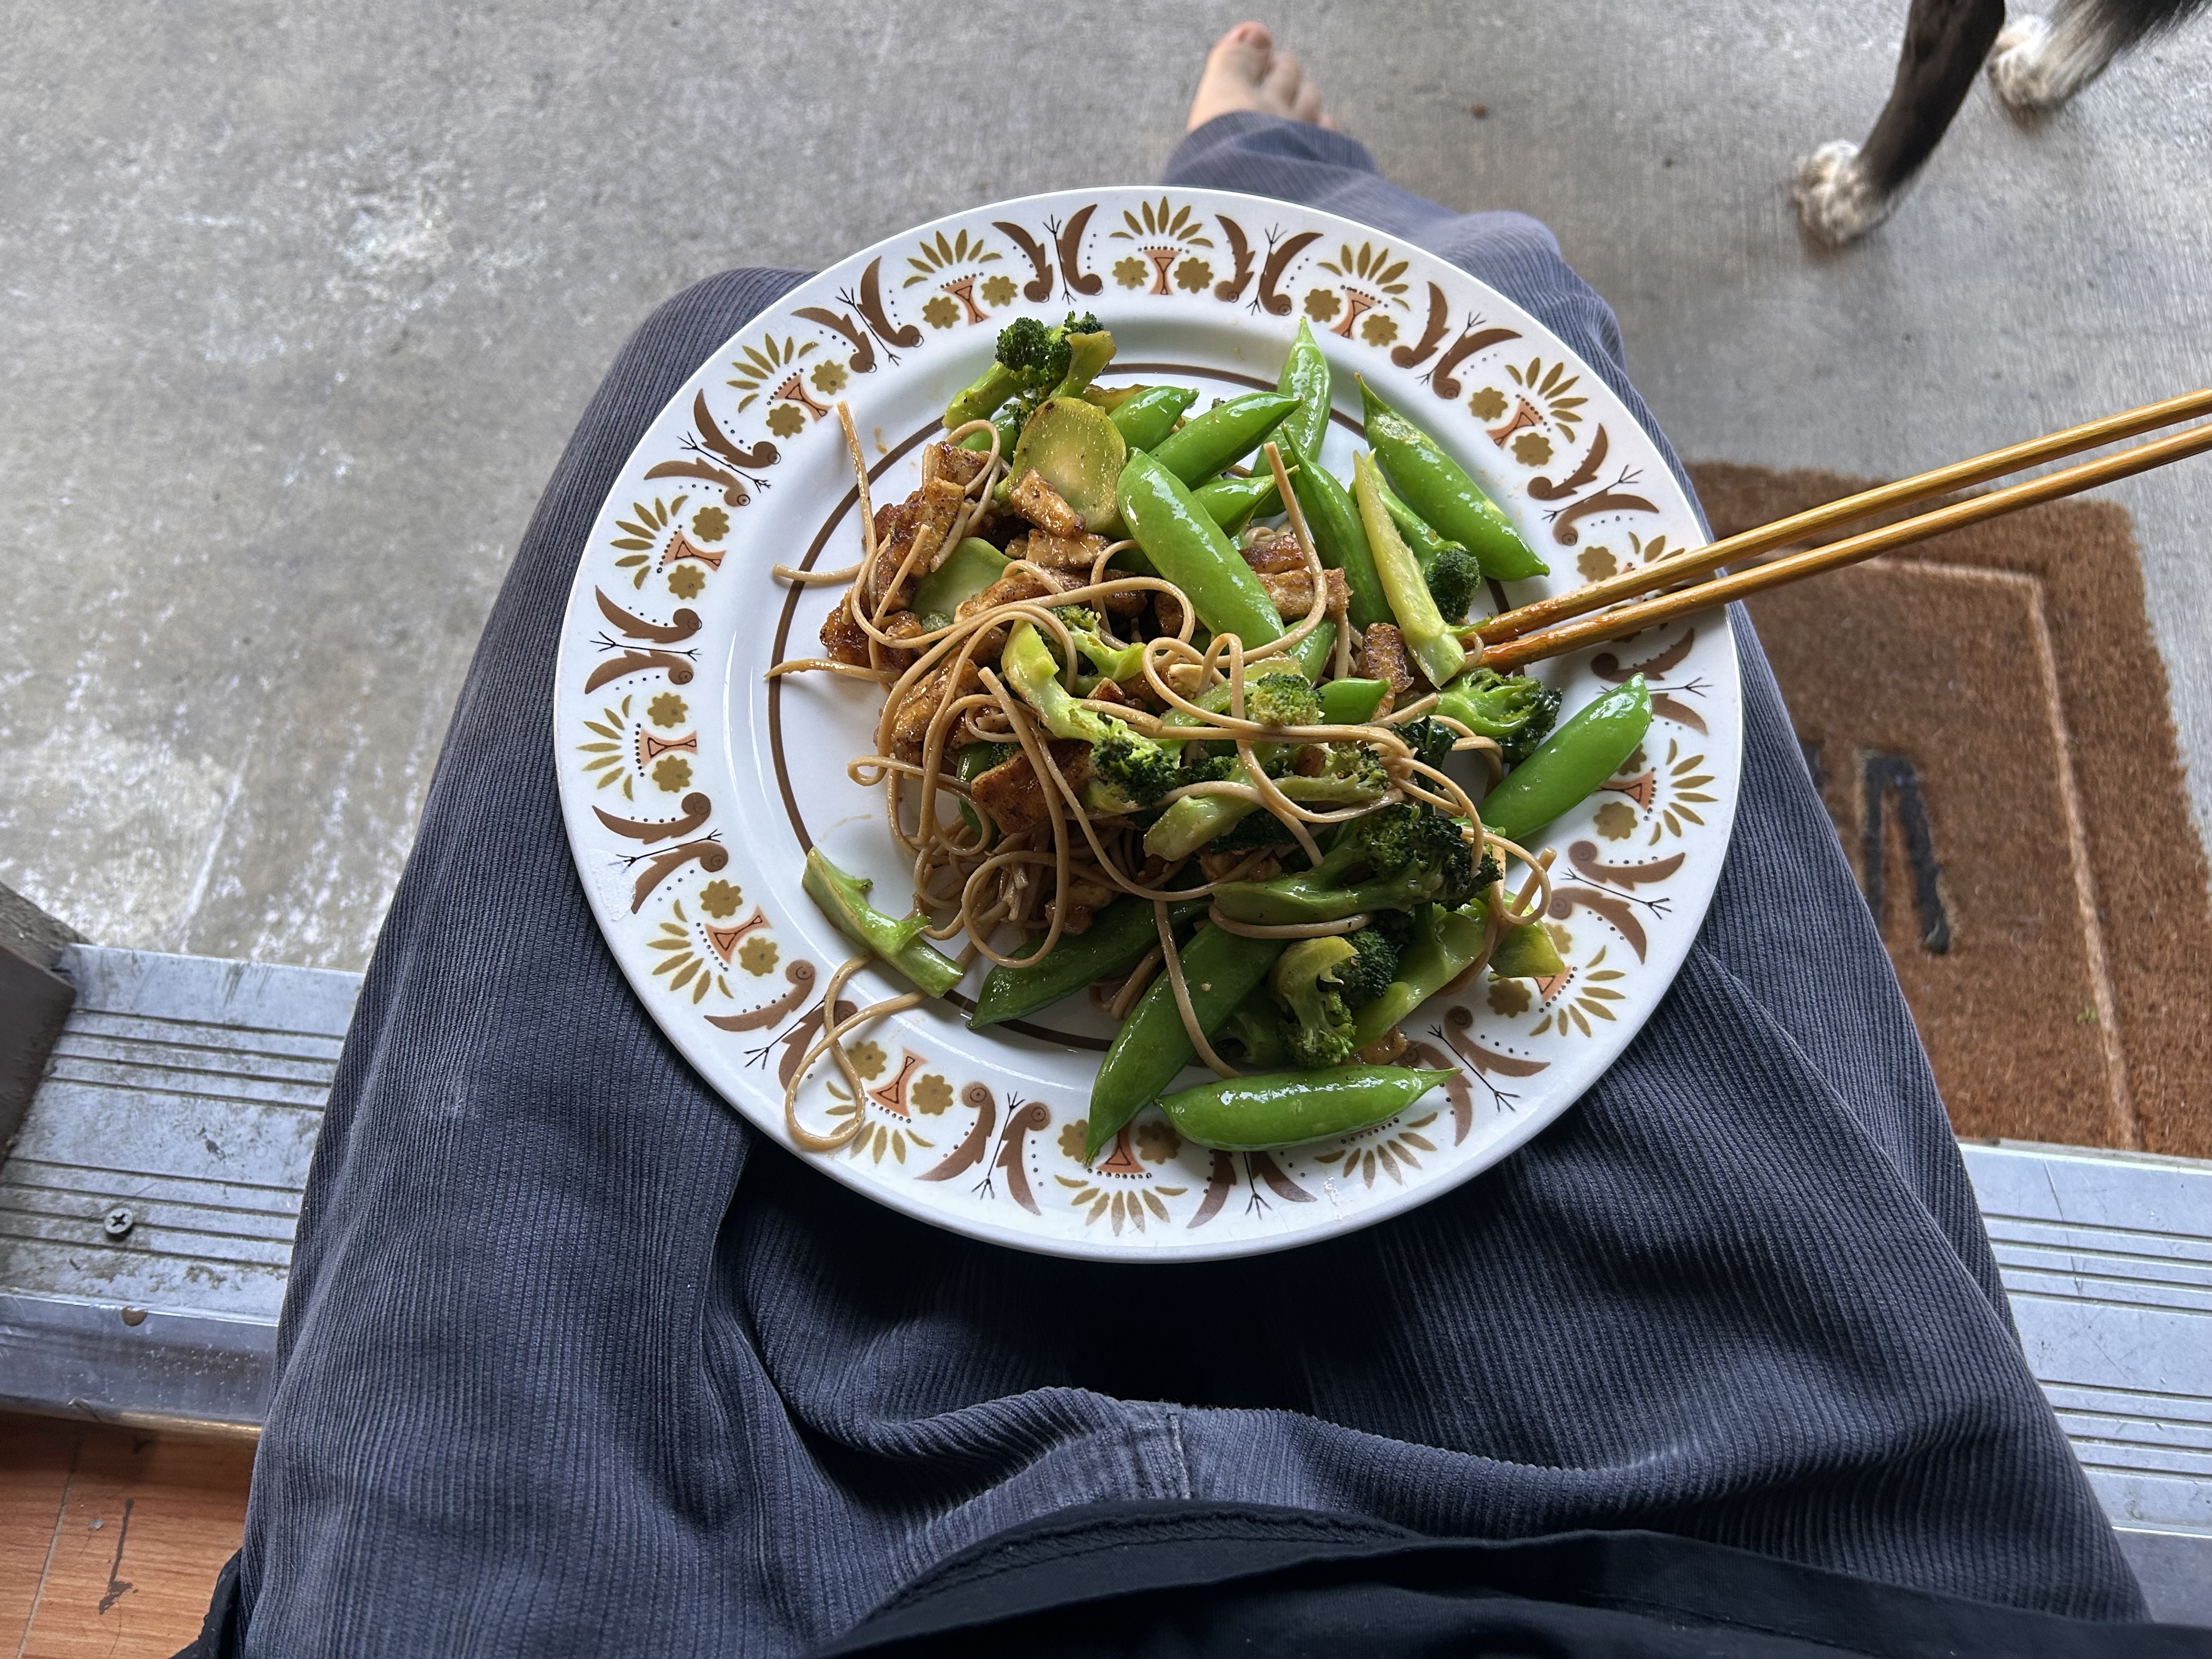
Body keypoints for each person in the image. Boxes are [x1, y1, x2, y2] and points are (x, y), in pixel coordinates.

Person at [182, 23, 2203, 1658]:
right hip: (1779, 1577)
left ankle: (1261, 183)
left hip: (583, 1598)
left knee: (704, 348)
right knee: (1504, 289)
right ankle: (1272, 178)